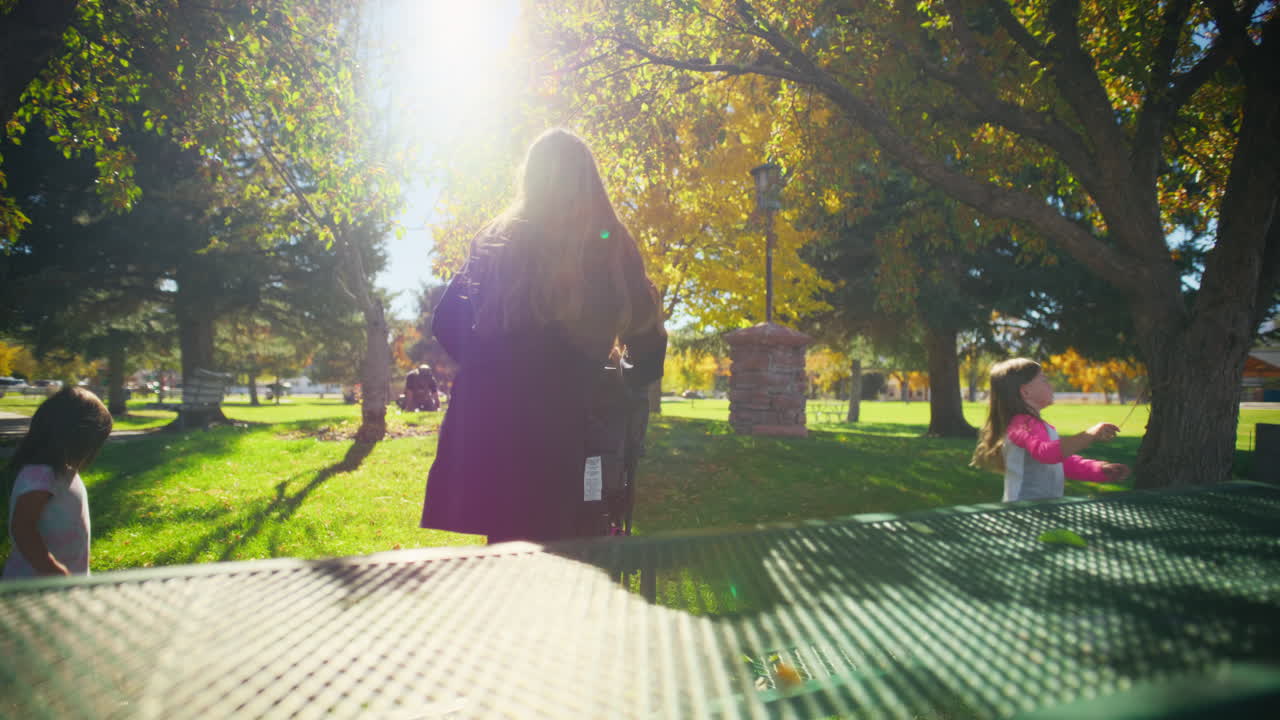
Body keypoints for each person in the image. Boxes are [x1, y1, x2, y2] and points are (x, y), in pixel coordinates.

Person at [420, 128, 666, 543]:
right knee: (566, 552)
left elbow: (446, 322)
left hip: (492, 425)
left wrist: (493, 367)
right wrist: (616, 382)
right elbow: (648, 347)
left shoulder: (498, 239)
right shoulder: (611, 244)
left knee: (508, 552)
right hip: (569, 426)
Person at [971, 358, 1130, 502]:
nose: (1050, 385)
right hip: (1022, 511)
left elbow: (1059, 462)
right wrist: (1090, 434)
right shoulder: (1020, 426)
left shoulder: (1034, 424)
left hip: (1040, 509)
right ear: (1025, 391)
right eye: (1044, 380)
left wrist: (1099, 470)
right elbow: (1047, 453)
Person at [3, 386, 112, 578]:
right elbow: (23, 527)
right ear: (76, 438)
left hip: (66, 584)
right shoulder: (41, 474)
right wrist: (53, 569)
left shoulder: (64, 472)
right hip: (36, 584)